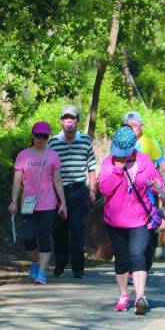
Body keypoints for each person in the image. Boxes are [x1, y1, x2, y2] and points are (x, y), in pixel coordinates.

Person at [97, 125, 165, 314]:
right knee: (121, 259)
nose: (121, 155)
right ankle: (122, 295)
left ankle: (140, 296)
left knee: (137, 254)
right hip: (115, 219)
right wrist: (117, 170)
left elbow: (159, 187)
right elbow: (104, 189)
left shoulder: (144, 161)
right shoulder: (108, 163)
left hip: (140, 219)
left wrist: (158, 188)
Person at [10, 121, 67, 283]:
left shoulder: (53, 155)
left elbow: (57, 180)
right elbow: (17, 179)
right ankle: (35, 262)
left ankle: (41, 272)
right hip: (29, 203)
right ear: (32, 135)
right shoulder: (23, 155)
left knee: (44, 237)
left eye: (44, 136)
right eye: (37, 136)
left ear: (48, 137)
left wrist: (63, 202)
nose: (40, 139)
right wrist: (14, 201)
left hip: (48, 203)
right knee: (29, 238)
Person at [48, 106, 97, 279]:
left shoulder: (85, 140)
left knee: (77, 228)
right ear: (61, 121)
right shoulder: (53, 142)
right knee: (59, 230)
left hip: (79, 190)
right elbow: (49, 168)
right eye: (66, 118)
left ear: (77, 121)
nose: (69, 121)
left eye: (72, 118)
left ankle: (78, 267)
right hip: (57, 192)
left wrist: (92, 189)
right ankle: (60, 264)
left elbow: (91, 166)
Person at [123, 111, 165, 272]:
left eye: (134, 126)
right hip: (125, 198)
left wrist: (163, 190)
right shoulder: (119, 142)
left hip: (146, 198)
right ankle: (132, 269)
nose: (130, 129)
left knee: (145, 232)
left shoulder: (149, 142)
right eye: (127, 126)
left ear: (141, 127)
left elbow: (163, 166)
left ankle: (143, 266)